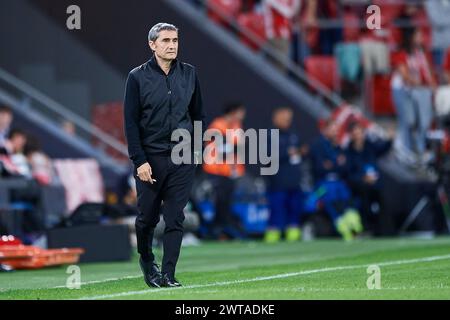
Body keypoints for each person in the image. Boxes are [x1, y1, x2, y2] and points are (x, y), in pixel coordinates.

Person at [123, 22, 205, 288]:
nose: (172, 45)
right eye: (166, 40)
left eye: (175, 40)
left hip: (182, 157)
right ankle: (147, 260)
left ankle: (168, 273)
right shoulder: (136, 77)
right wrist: (140, 161)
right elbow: (131, 123)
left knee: (175, 216)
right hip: (151, 158)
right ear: (152, 45)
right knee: (147, 217)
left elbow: (198, 115)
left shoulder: (190, 74)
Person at [310, 119, 362, 241]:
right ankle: (343, 229)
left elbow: (344, 166)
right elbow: (320, 167)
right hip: (323, 183)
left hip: (338, 180)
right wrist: (336, 163)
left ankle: (354, 227)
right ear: (325, 129)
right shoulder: (317, 145)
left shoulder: (338, 146)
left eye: (336, 129)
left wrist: (332, 164)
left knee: (347, 201)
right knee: (332, 204)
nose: (335, 132)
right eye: (332, 129)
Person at [203, 102, 246, 239]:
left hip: (229, 172)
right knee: (220, 201)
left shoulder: (236, 127)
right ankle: (216, 231)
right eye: (240, 112)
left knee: (227, 202)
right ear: (233, 112)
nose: (242, 116)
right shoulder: (218, 125)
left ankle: (223, 230)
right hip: (216, 170)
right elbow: (222, 148)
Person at [264, 106, 305, 243]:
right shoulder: (269, 135)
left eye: (289, 119)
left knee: (294, 208)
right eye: (285, 118)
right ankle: (273, 235)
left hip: (294, 179)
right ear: (276, 118)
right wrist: (286, 153)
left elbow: (299, 152)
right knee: (277, 209)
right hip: (278, 180)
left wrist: (301, 152)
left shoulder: (293, 135)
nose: (288, 121)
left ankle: (293, 234)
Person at [345, 121, 393, 235]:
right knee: (364, 199)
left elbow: (382, 149)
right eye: (355, 133)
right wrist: (362, 178)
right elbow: (348, 173)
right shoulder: (348, 152)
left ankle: (386, 230)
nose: (358, 135)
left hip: (375, 184)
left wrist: (390, 139)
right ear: (351, 135)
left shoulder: (369, 146)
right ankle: (366, 227)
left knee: (382, 199)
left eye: (360, 132)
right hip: (359, 186)